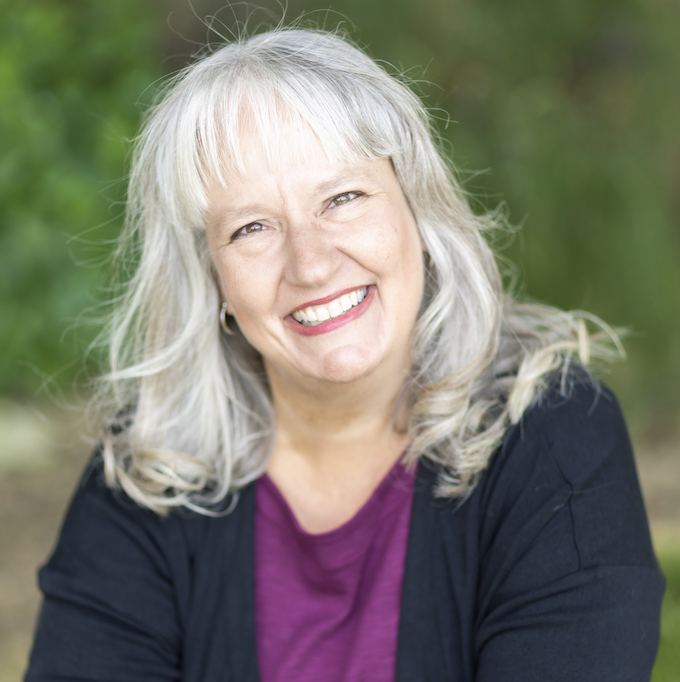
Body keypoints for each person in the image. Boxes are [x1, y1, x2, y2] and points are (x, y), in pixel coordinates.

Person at [26, 27, 663, 682]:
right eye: (252, 228)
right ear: (212, 279)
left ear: (417, 210)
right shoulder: (152, 475)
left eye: (343, 198)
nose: (310, 262)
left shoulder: (552, 439)